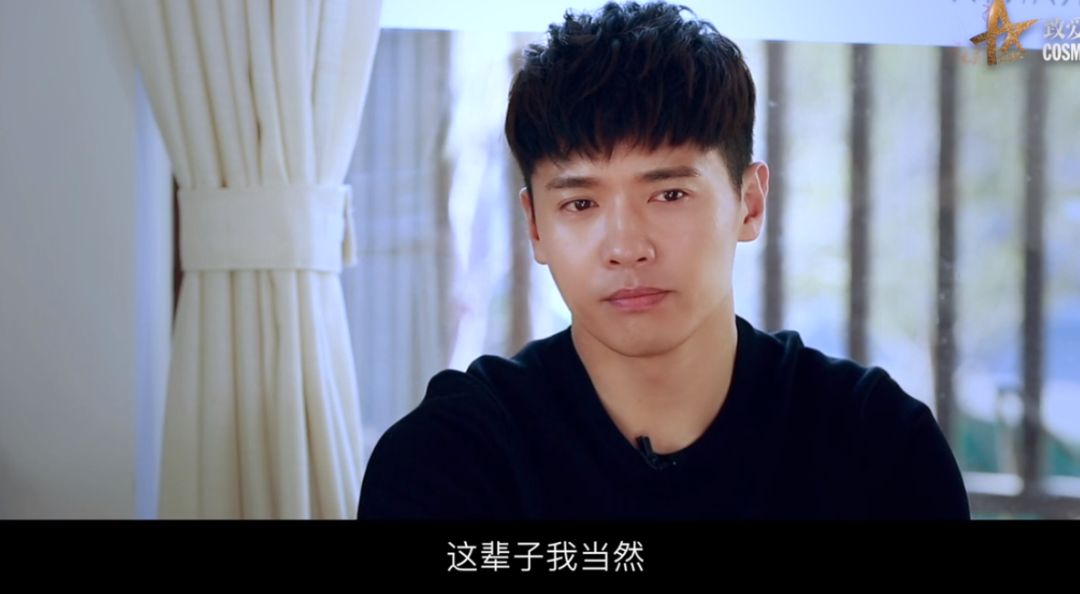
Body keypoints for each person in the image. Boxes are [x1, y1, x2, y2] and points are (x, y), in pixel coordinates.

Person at [357, 1, 970, 520]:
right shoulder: (450, 458)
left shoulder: (876, 442)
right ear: (535, 227)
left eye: (669, 194)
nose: (627, 247)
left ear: (750, 203)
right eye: (580, 203)